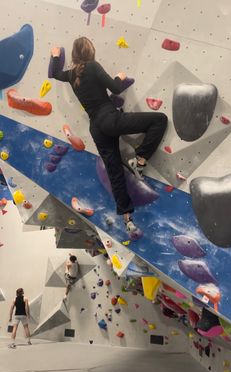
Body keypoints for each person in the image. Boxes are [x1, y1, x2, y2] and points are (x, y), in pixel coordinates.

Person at [51, 37, 168, 234]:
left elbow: (55, 73)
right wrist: (119, 77)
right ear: (91, 51)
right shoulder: (93, 66)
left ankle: (127, 219)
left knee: (114, 172)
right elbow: (115, 88)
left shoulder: (71, 75)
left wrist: (55, 56)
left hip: (96, 128)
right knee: (160, 120)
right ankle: (139, 161)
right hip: (110, 120)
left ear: (74, 55)